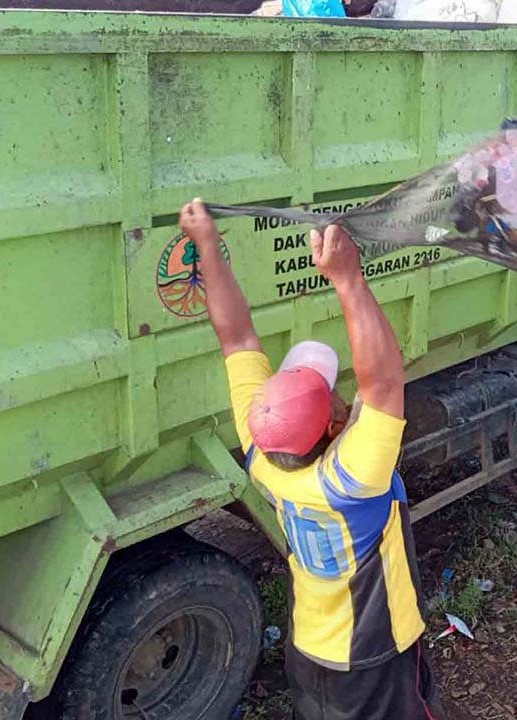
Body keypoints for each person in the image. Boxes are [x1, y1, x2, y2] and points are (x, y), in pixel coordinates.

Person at [181, 199, 442, 720]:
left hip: (310, 650)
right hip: (374, 656)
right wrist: (347, 281)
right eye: (329, 392)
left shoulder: (260, 458)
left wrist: (206, 244)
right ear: (330, 426)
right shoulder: (354, 478)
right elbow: (383, 379)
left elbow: (235, 336)